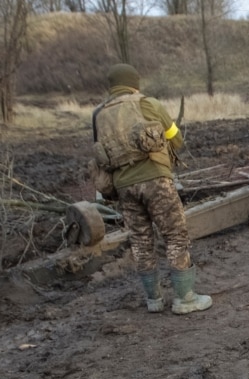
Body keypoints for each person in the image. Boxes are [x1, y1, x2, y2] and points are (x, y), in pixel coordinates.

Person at [92, 63, 212, 315]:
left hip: (124, 187)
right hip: (155, 180)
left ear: (112, 86)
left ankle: (154, 300)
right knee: (175, 235)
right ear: (134, 82)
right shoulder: (147, 103)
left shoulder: (98, 114)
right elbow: (176, 140)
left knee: (141, 241)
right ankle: (185, 299)